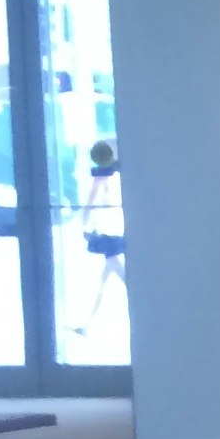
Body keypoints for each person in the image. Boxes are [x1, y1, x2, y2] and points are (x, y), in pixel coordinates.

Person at [78, 138, 125, 337]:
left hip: (109, 231)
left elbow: (92, 198)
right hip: (114, 228)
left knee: (116, 274)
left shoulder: (104, 176)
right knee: (105, 278)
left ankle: (87, 325)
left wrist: (84, 221)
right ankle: (87, 325)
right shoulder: (118, 174)